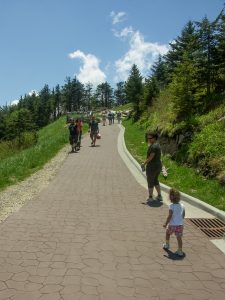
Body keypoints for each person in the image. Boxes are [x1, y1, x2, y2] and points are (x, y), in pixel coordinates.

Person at [163, 188, 185, 257]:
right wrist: (180, 219)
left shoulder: (171, 206)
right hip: (180, 225)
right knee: (179, 238)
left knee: (167, 233)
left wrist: (166, 223)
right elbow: (183, 215)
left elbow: (170, 216)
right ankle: (180, 250)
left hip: (172, 225)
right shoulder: (182, 205)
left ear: (171, 197)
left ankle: (167, 245)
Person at [141, 132, 162, 201]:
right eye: (148, 138)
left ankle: (150, 197)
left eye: (150, 138)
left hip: (152, 167)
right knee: (155, 180)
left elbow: (151, 156)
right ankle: (159, 196)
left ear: (155, 138)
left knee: (150, 181)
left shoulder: (153, 146)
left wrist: (144, 163)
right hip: (158, 165)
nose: (149, 139)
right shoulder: (157, 145)